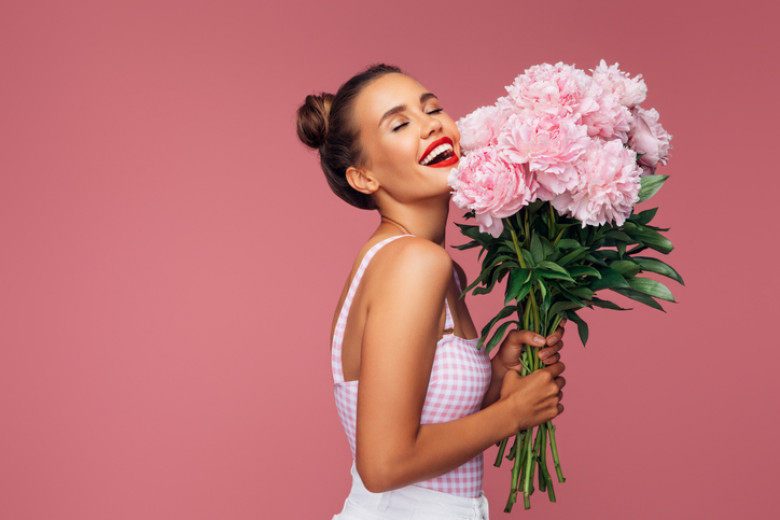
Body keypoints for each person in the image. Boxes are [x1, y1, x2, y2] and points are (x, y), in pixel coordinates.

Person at [296, 64, 566, 520]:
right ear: (363, 177)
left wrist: (499, 378)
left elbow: (428, 429)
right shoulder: (414, 263)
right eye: (400, 124)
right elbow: (384, 464)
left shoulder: (436, 267)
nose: (431, 125)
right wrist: (513, 414)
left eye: (433, 109)